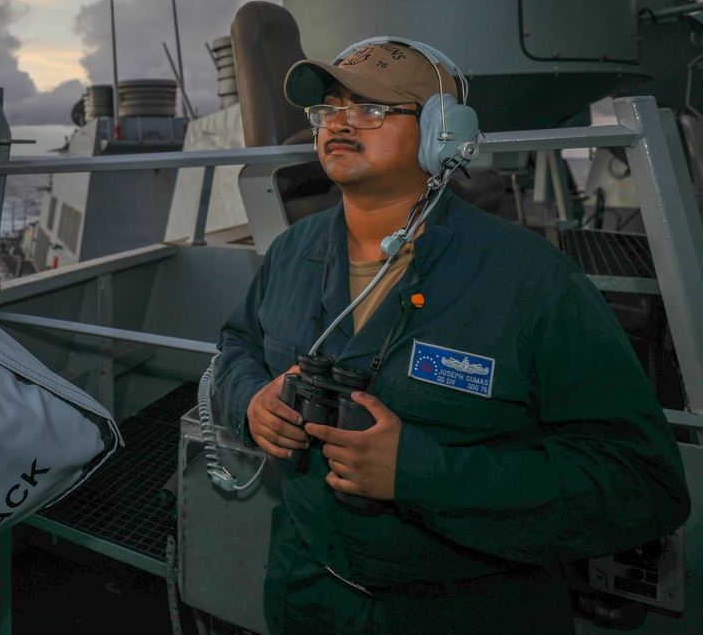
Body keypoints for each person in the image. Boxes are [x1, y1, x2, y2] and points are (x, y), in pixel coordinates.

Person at [213, 37, 691, 634]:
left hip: (468, 609)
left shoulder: (531, 281)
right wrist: (249, 404)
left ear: (443, 131)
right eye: (329, 109)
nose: (339, 123)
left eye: (373, 109)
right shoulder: (291, 252)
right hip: (308, 592)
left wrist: (419, 474)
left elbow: (641, 484)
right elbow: (235, 349)